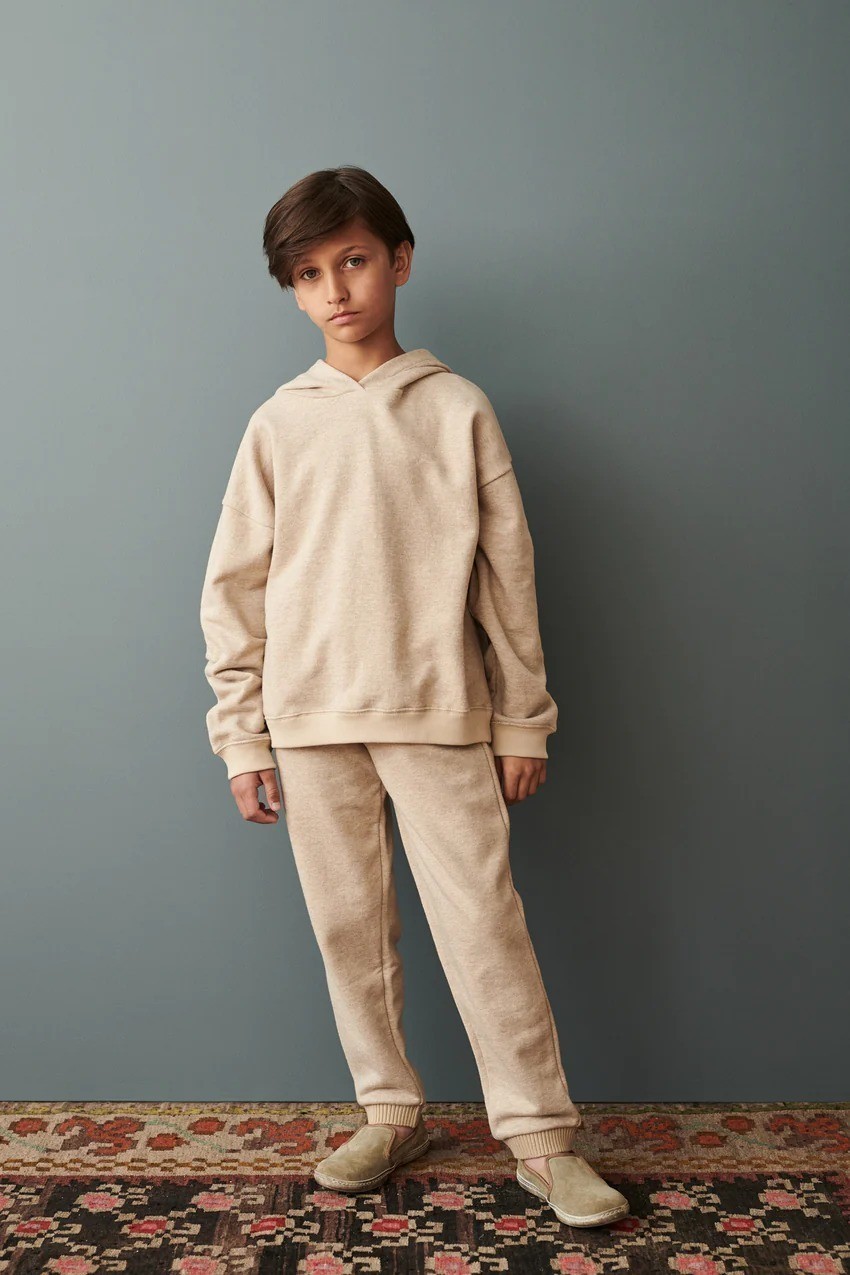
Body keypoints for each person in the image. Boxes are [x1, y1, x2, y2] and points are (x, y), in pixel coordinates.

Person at [199, 165, 629, 1228]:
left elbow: (506, 579)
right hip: (309, 721)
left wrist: (522, 719)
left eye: (352, 260)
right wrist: (242, 736)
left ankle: (541, 1138)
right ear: (292, 290)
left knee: (483, 922)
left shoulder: (457, 409)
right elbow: (234, 587)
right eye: (308, 274)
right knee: (349, 930)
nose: (335, 289)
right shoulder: (277, 424)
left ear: (398, 260)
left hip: (440, 711)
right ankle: (390, 1112)